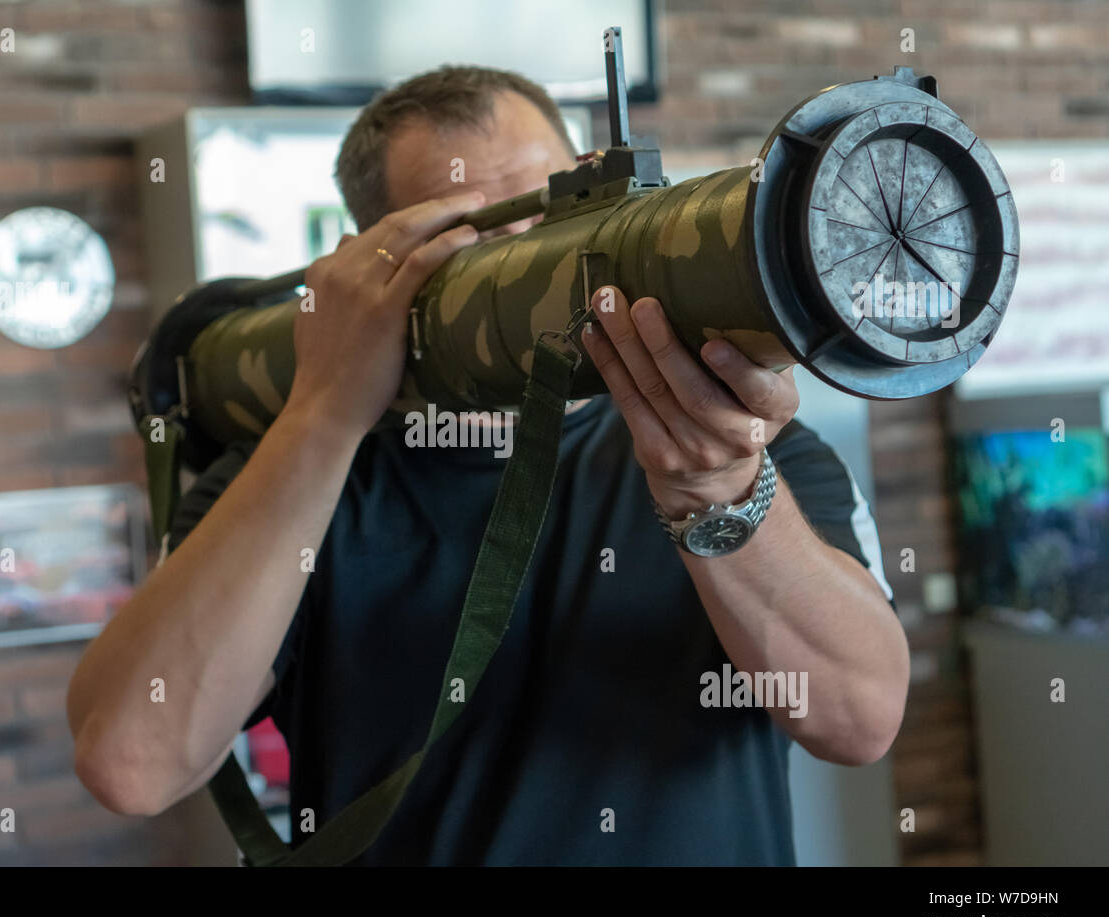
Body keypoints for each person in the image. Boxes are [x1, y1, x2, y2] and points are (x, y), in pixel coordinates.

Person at [67, 66, 909, 865]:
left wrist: (726, 497)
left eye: (546, 212)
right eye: (473, 237)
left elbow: (857, 720)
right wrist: (324, 415)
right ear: (380, 265)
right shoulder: (302, 472)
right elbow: (133, 762)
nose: (528, 260)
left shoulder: (738, 442)